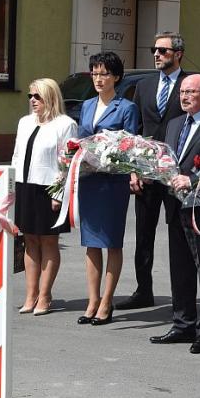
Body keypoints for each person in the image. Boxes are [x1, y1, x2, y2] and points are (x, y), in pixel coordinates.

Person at [151, 74, 200, 354]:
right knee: (180, 267)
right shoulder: (174, 124)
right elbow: (165, 158)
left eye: (191, 92)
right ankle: (183, 324)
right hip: (175, 205)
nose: (184, 97)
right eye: (182, 92)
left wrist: (193, 179)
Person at [118, 31, 188, 311]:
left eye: (163, 51)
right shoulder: (145, 86)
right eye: (155, 50)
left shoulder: (189, 84)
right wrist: (133, 170)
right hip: (146, 172)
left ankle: (181, 296)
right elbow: (135, 131)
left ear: (178, 54)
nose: (157, 55)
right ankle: (143, 290)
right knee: (143, 233)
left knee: (178, 237)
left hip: (175, 173)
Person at [76, 51, 139, 326]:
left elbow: (132, 145)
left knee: (111, 241)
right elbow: (81, 139)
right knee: (90, 243)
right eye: (94, 72)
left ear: (116, 77)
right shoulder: (87, 104)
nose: (98, 79)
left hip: (113, 182)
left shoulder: (126, 107)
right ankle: (92, 299)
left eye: (104, 74)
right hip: (90, 180)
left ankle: (106, 301)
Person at [11, 78, 77, 316]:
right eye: (30, 96)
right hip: (25, 186)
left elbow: (66, 162)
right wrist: (12, 186)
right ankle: (30, 294)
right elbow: (17, 155)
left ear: (50, 97)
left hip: (49, 188)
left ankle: (45, 295)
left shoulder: (65, 124)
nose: (32, 101)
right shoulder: (25, 122)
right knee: (29, 239)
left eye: (37, 96)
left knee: (48, 240)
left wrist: (59, 193)